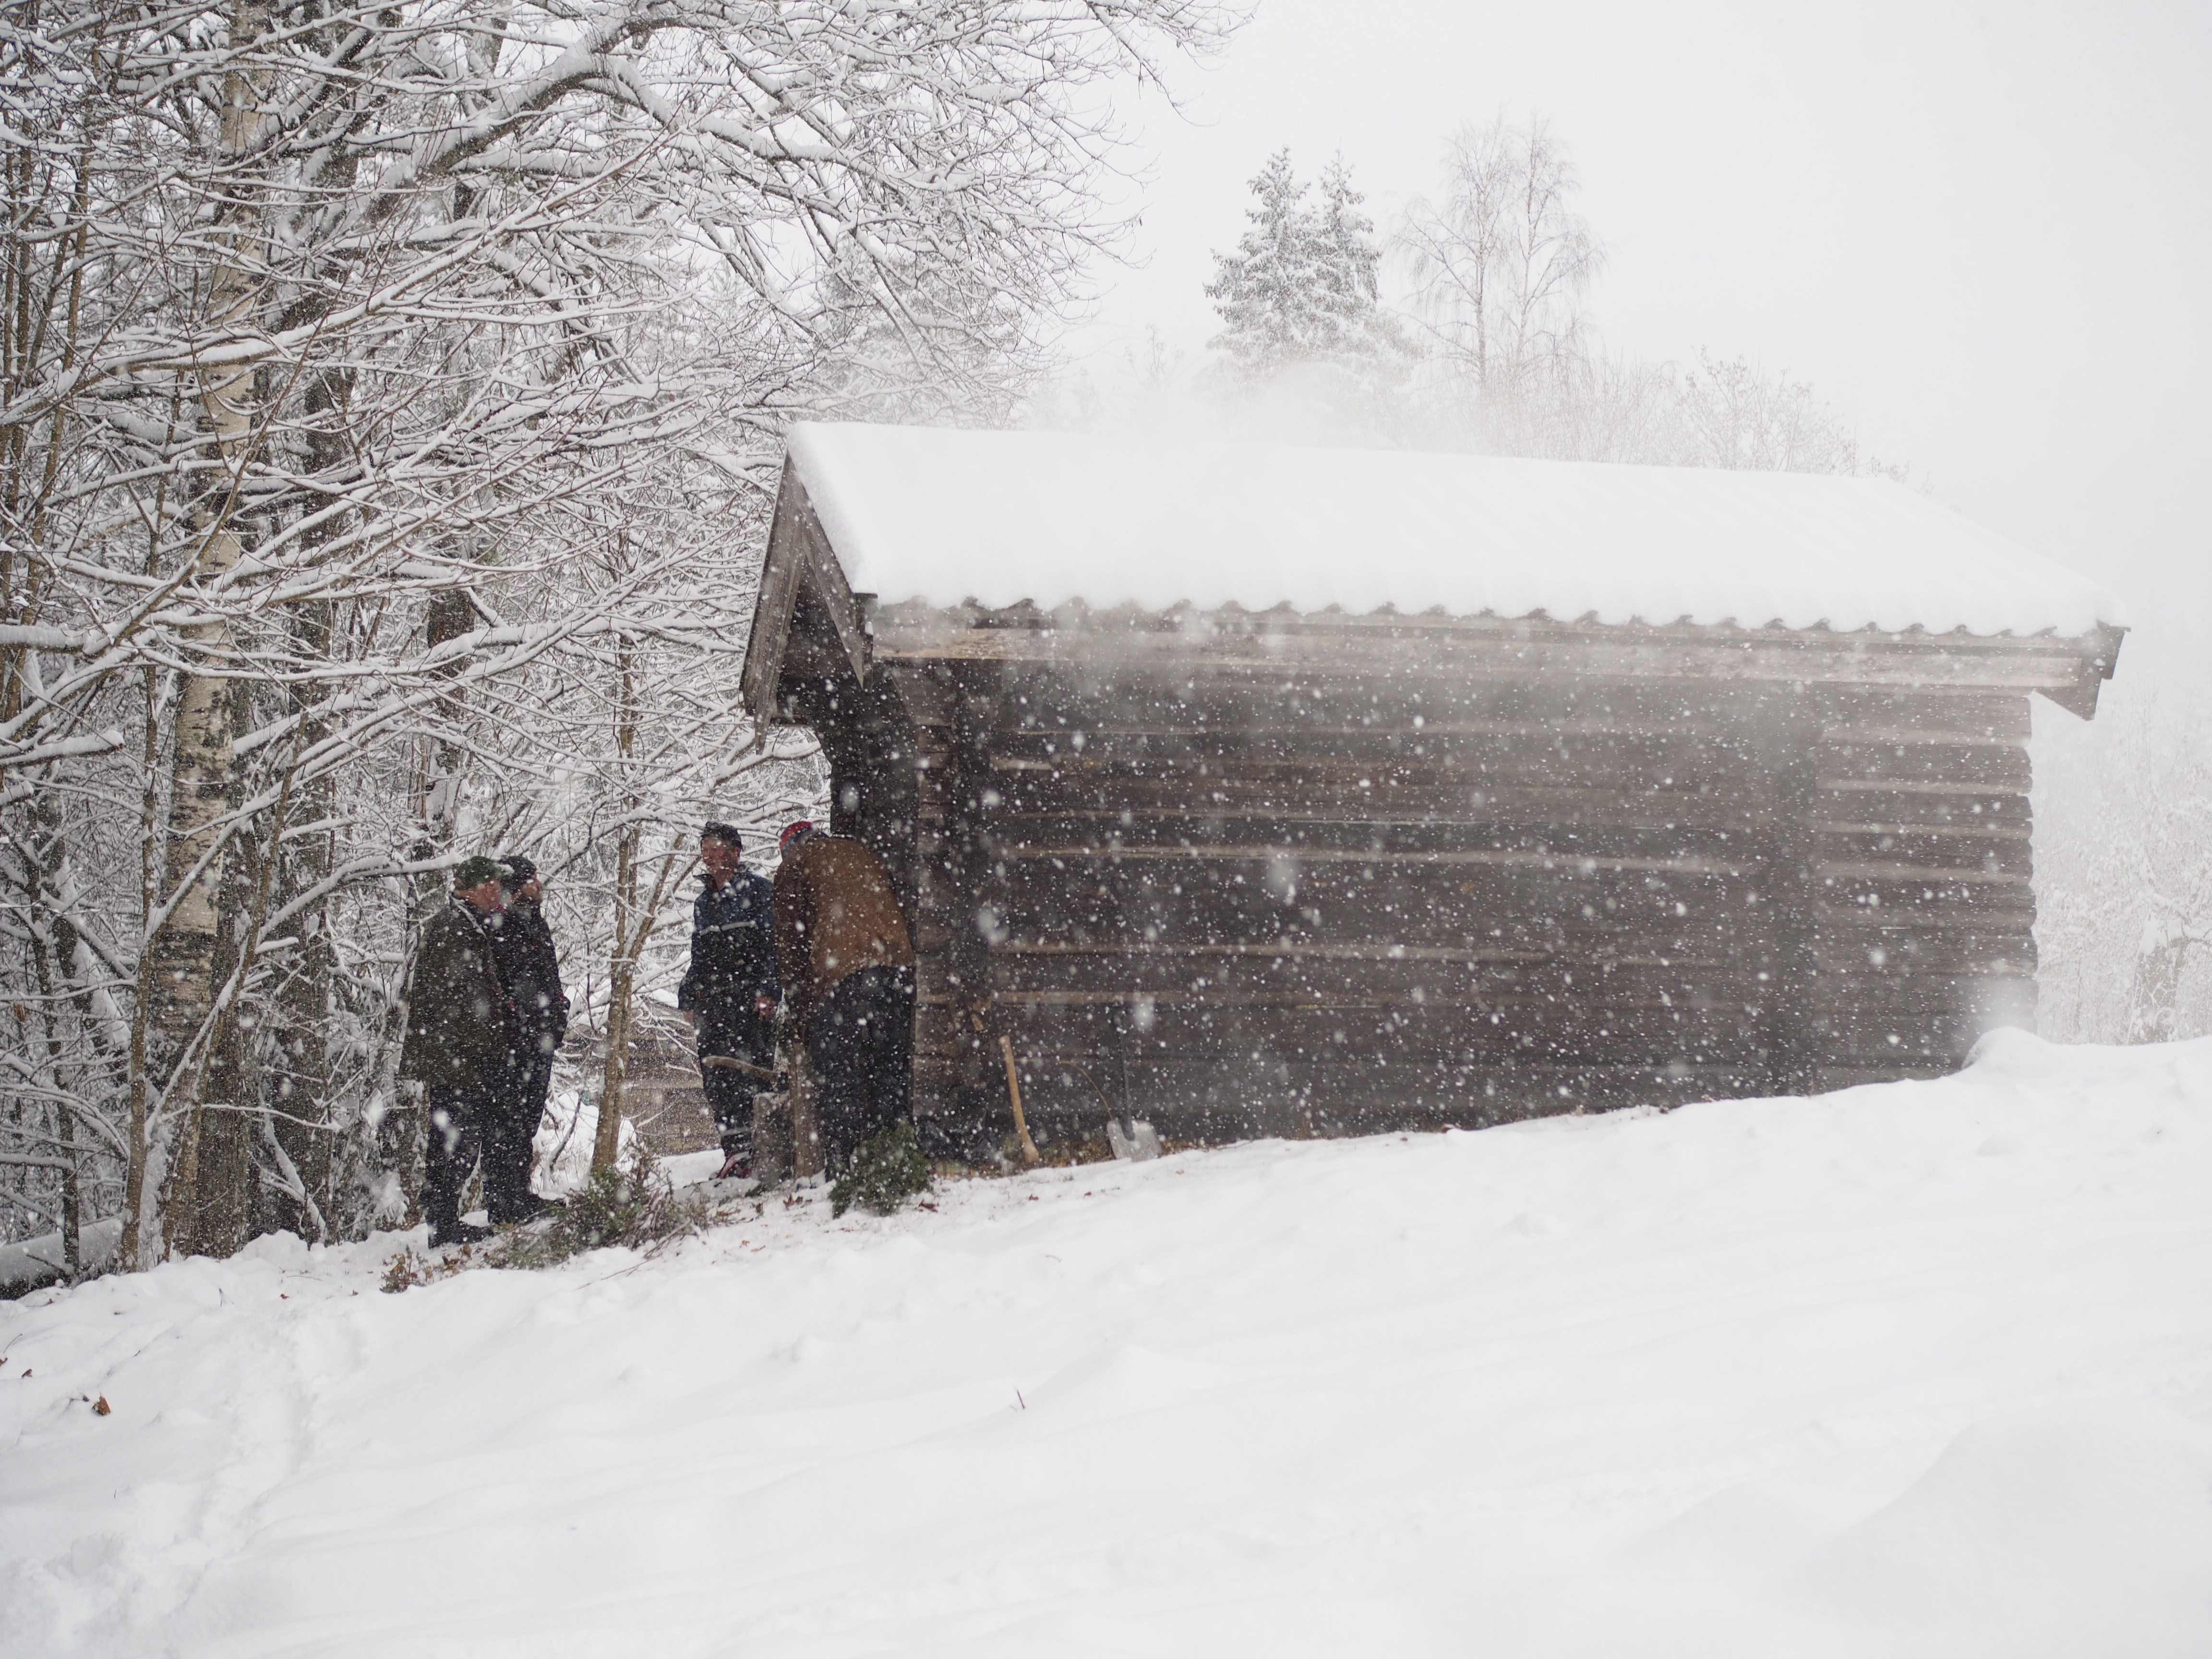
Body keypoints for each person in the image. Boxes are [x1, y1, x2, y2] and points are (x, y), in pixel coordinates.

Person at [771, 821, 916, 1175]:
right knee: (889, 1068)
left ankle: (842, 1164)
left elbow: (790, 943)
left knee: (839, 1073)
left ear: (789, 849)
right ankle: (892, 1156)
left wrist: (799, 1005)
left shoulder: (794, 866)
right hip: (896, 969)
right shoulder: (861, 852)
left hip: (841, 973)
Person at [398, 856, 518, 1247]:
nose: (499, 893)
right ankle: (444, 1226)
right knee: (454, 1142)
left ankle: (445, 1221)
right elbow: (457, 1002)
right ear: (479, 887)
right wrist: (485, 1044)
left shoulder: (466, 924)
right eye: (494, 885)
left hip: (461, 1057)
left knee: (459, 1140)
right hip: (457, 1060)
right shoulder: (453, 928)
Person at [677, 822, 779, 1178]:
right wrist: (688, 995)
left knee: (752, 1073)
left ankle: (760, 1149)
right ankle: (734, 1153)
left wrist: (769, 991)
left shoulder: (760, 892)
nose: (709, 857)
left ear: (736, 852)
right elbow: (699, 955)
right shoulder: (703, 903)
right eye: (705, 849)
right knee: (716, 1076)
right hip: (714, 1004)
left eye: (717, 849)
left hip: (749, 1001)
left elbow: (774, 946)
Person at [491, 854, 567, 1222]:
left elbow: (547, 975)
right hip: (516, 1041)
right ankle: (505, 1202)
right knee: (510, 1119)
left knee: (527, 1119)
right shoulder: (501, 926)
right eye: (531, 879)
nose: (539, 884)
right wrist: (520, 1019)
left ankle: (517, 1195)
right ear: (517, 886)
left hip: (541, 1036)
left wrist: (559, 1009)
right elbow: (503, 984)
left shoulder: (535, 922)